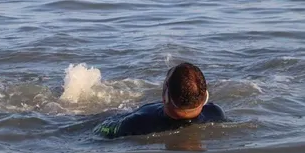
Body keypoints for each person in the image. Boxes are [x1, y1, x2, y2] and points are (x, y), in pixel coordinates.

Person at [95, 62, 226, 138]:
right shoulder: (215, 113)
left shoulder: (136, 123)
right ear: (204, 96)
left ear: (165, 96)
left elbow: (102, 130)